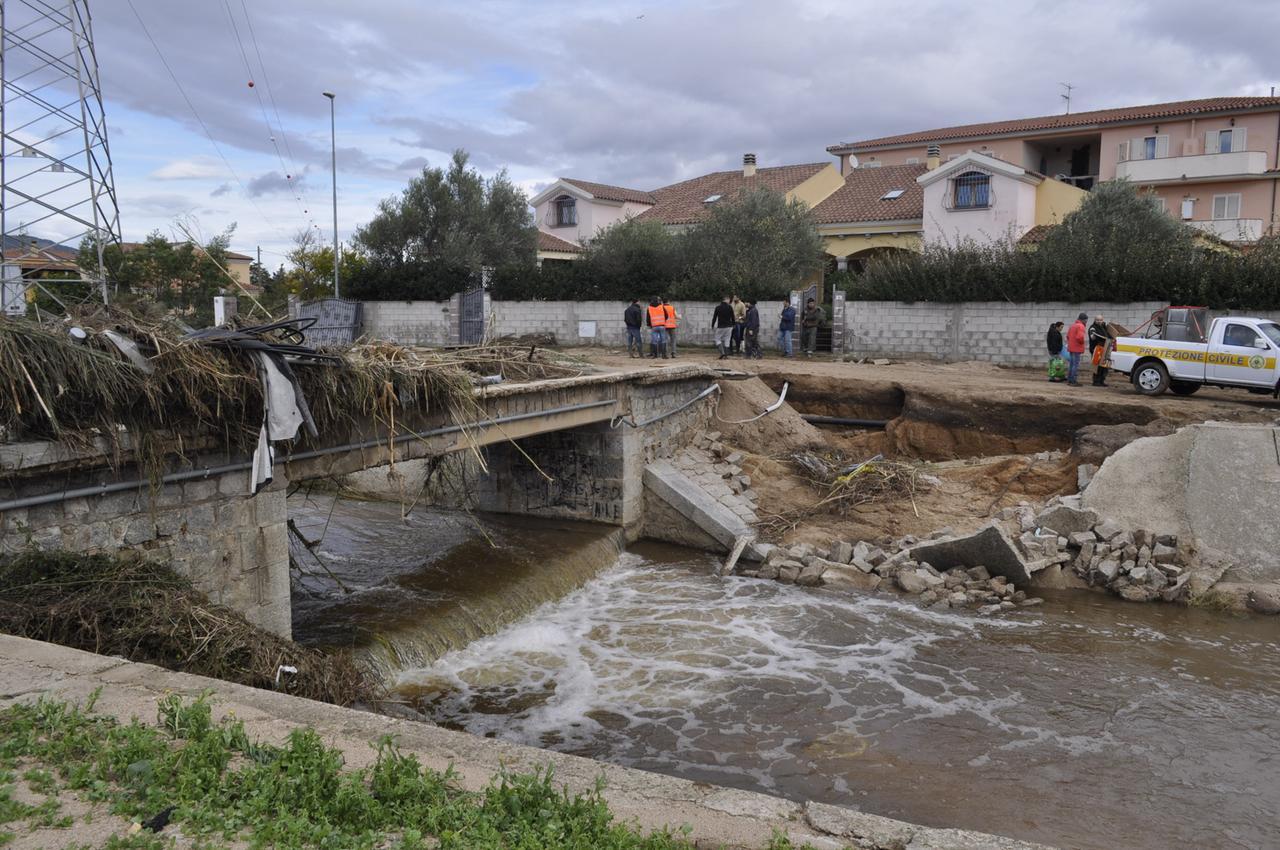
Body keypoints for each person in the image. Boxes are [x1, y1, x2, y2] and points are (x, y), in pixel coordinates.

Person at [1089, 315, 1113, 387]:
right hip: (1097, 349)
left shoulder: (1104, 327)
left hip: (1105, 349)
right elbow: (1092, 337)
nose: (1099, 321)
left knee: (1104, 366)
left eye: (1101, 320)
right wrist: (1095, 337)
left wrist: (1112, 338)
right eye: (1097, 320)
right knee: (1097, 366)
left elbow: (1108, 335)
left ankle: (1102, 381)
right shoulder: (1092, 328)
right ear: (1095, 320)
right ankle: (1096, 381)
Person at [1065, 312, 1088, 387]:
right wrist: (1082, 343)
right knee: (1075, 365)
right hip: (1077, 348)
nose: (1086, 322)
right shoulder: (1081, 326)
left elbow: (1068, 336)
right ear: (1084, 320)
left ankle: (1069, 379)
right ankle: (1073, 381)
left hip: (1071, 348)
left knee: (1071, 364)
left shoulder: (1073, 325)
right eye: (1086, 320)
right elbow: (1080, 337)